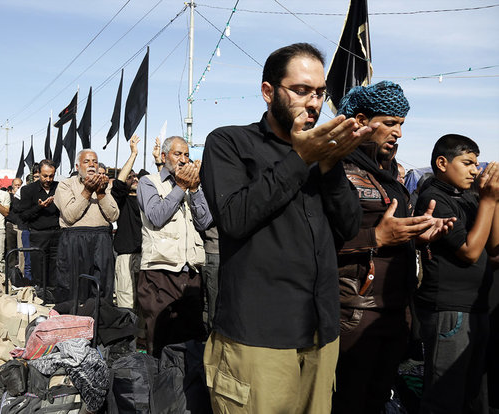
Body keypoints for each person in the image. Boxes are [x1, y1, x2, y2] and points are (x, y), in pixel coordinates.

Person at [199, 43, 378, 413]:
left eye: (320, 93)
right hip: (258, 339)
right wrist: (301, 159)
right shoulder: (230, 142)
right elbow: (235, 218)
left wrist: (329, 167)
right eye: (301, 90)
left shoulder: (322, 158)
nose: (313, 103)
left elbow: (346, 227)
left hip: (321, 333)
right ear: (269, 92)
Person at [332, 81, 455, 414]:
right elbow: (312, 244)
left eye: (401, 124)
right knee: (348, 402)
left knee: (377, 401)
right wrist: (376, 239)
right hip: (352, 314)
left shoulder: (390, 177)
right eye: (390, 123)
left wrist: (420, 237)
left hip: (394, 312)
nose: (398, 132)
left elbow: (394, 235)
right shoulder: (336, 171)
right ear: (360, 120)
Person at [414, 134, 499, 414]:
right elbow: (470, 251)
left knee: (474, 395)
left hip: (477, 308)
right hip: (449, 310)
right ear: (442, 163)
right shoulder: (434, 198)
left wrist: (494, 201)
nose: (475, 170)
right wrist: (487, 201)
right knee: (444, 396)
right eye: (467, 163)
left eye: (477, 164)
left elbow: (494, 249)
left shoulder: (467, 199)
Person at [137, 135, 212, 356]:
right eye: (177, 154)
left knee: (192, 336)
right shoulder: (149, 182)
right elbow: (156, 216)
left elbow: (205, 221)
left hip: (190, 272)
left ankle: (185, 387)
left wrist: (195, 190)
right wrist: (179, 187)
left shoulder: (191, 186)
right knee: (160, 336)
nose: (183, 159)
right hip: (159, 271)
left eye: (187, 155)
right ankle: (159, 383)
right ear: (163, 156)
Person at [54, 149, 119, 303]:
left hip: (101, 239)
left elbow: (114, 215)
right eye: (86, 161)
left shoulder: (104, 186)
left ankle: (100, 321)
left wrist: (101, 193)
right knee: (74, 287)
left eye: (95, 162)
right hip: (75, 240)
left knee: (102, 285)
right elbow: (70, 216)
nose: (91, 165)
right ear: (77, 167)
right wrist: (87, 191)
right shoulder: (66, 185)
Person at [16, 159, 61, 294]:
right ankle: (40, 295)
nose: (48, 179)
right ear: (38, 173)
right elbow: (24, 216)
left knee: (55, 269)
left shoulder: (59, 188)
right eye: (45, 176)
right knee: (38, 270)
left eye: (51, 176)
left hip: (57, 235)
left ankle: (53, 297)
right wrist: (39, 207)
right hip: (38, 235)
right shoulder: (28, 190)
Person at [110, 135, 144, 309]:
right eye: (131, 177)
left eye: (137, 176)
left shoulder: (148, 202)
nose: (135, 179)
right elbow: (119, 183)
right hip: (125, 255)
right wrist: (133, 155)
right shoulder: (120, 200)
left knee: (145, 302)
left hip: (146, 256)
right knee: (126, 299)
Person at [5, 177, 23, 269]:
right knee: (10, 247)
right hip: (10, 225)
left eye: (19, 185)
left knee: (21, 250)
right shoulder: (9, 198)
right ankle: (11, 268)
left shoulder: (24, 197)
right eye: (16, 186)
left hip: (21, 226)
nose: (17, 187)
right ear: (12, 188)